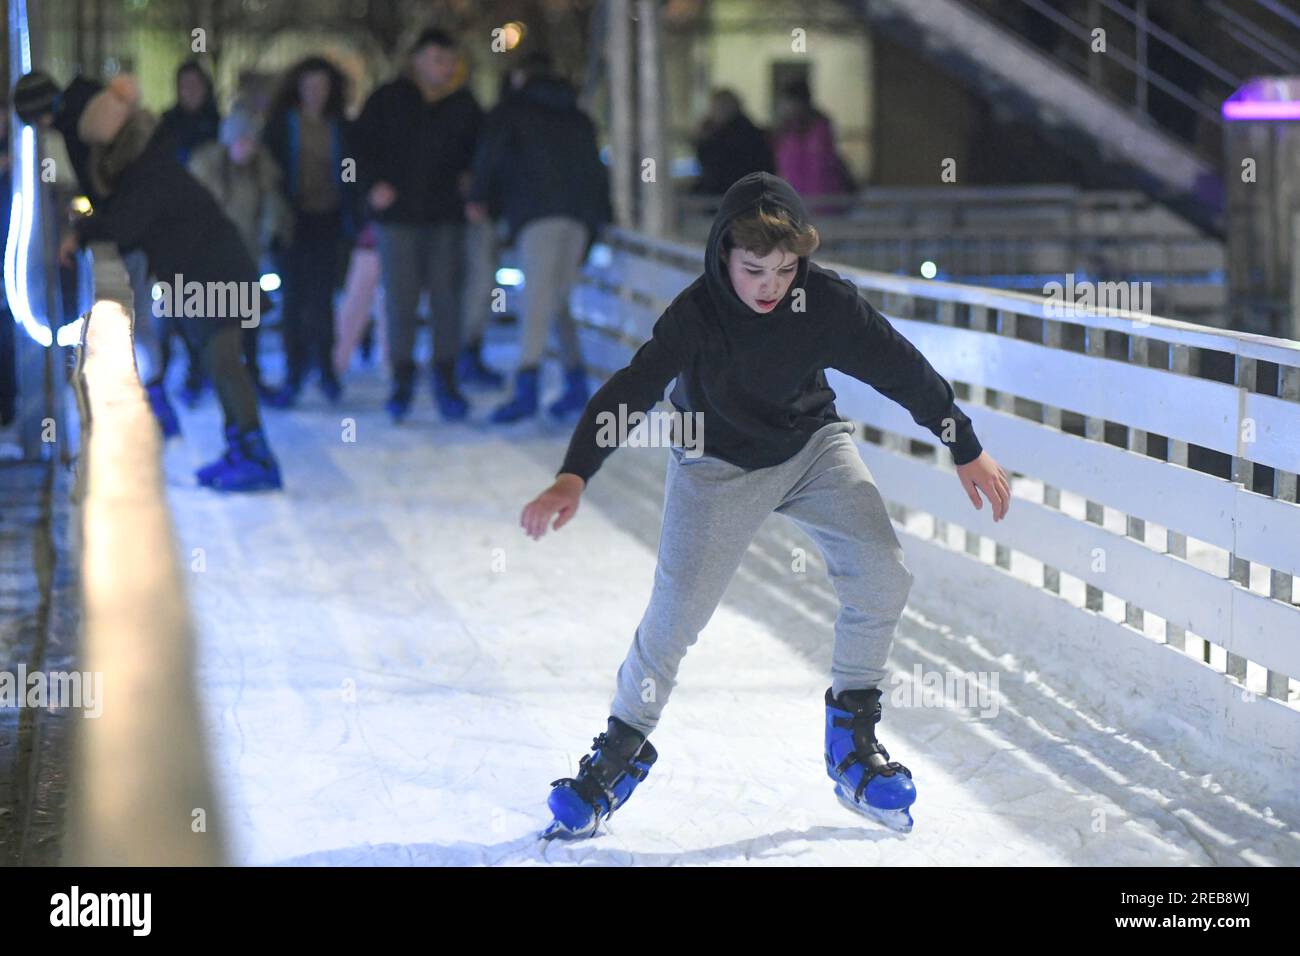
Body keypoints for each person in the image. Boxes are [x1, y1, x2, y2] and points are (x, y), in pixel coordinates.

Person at [521, 173, 1011, 840]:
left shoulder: (826, 303)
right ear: (723, 254)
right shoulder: (697, 314)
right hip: (714, 465)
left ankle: (851, 740)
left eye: (785, 268)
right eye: (754, 268)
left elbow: (903, 368)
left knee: (882, 573)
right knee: (674, 618)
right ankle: (618, 753)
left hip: (811, 448)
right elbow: (632, 388)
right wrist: (573, 475)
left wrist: (964, 443)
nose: (770, 284)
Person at [62, 76, 282, 491]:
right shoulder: (149, 161)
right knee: (222, 366)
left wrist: (82, 232)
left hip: (213, 272)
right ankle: (243, 450)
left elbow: (127, 225)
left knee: (224, 365)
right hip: (203, 271)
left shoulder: (148, 168)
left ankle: (256, 456)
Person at [13, 69, 179, 436]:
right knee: (141, 320)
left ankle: (148, 405)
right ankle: (155, 403)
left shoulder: (83, 126)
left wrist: (84, 231)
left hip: (135, 234)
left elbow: (109, 194)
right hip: (144, 231)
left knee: (134, 321)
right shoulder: (93, 112)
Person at [465, 49, 611, 423]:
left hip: (536, 215)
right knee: (555, 297)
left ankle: (526, 387)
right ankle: (575, 380)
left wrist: (479, 197)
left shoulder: (512, 110)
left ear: (522, 78)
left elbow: (491, 155)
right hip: (578, 218)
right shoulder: (578, 117)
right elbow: (596, 170)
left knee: (537, 299)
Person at [352, 28, 482, 422]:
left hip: (445, 218)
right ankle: (402, 380)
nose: (445, 68)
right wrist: (371, 185)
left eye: (449, 60)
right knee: (400, 300)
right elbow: (358, 147)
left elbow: (483, 152)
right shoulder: (389, 99)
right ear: (419, 59)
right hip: (400, 219)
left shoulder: (463, 104)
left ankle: (446, 378)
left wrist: (473, 187)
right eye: (437, 59)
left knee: (446, 299)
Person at [262, 55, 353, 406]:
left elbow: (351, 172)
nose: (316, 93)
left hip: (328, 221)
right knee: (294, 300)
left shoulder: (339, 126)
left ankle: (326, 370)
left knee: (323, 299)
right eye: (310, 86)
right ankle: (294, 370)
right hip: (292, 222)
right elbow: (268, 171)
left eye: (323, 87)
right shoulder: (282, 126)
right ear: (298, 88)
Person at [189, 104, 293, 395]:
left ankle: (251, 374)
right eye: (242, 141)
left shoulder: (262, 168)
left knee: (248, 321)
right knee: (212, 321)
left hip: (247, 255)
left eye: (251, 141)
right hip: (209, 257)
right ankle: (200, 375)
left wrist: (271, 233)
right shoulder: (206, 167)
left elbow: (273, 205)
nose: (247, 147)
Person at [158, 59, 223, 403]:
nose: (190, 92)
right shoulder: (167, 125)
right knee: (176, 304)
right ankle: (171, 371)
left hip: (211, 225)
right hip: (174, 225)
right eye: (185, 85)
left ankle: (201, 368)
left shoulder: (217, 123)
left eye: (196, 85)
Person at [772, 79, 853, 204]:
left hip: (821, 202)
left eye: (787, 102)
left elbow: (820, 169)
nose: (784, 107)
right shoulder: (785, 131)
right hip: (795, 202)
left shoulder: (819, 130)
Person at [689, 88, 774, 196]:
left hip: (730, 197)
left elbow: (714, 171)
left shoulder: (728, 138)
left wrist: (703, 139)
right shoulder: (751, 133)